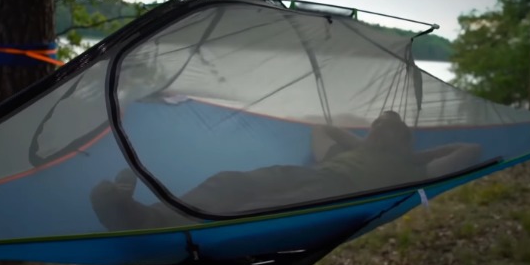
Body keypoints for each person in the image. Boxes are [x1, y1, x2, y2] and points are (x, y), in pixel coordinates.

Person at [90, 111, 482, 230]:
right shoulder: (357, 147)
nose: (378, 126)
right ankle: (147, 214)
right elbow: (321, 129)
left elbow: (471, 149)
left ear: (404, 141)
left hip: (335, 193)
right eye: (376, 122)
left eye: (388, 126)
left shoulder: (412, 169)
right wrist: (363, 143)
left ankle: (166, 228)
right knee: (229, 182)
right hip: (313, 174)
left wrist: (416, 156)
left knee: (262, 206)